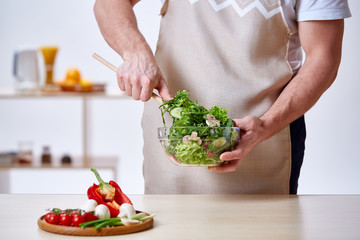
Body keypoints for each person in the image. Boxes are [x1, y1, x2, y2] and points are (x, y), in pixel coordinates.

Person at [94, 0, 351, 194]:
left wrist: (266, 125)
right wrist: (136, 52)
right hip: (172, 142)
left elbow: (323, 58)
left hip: (266, 138)